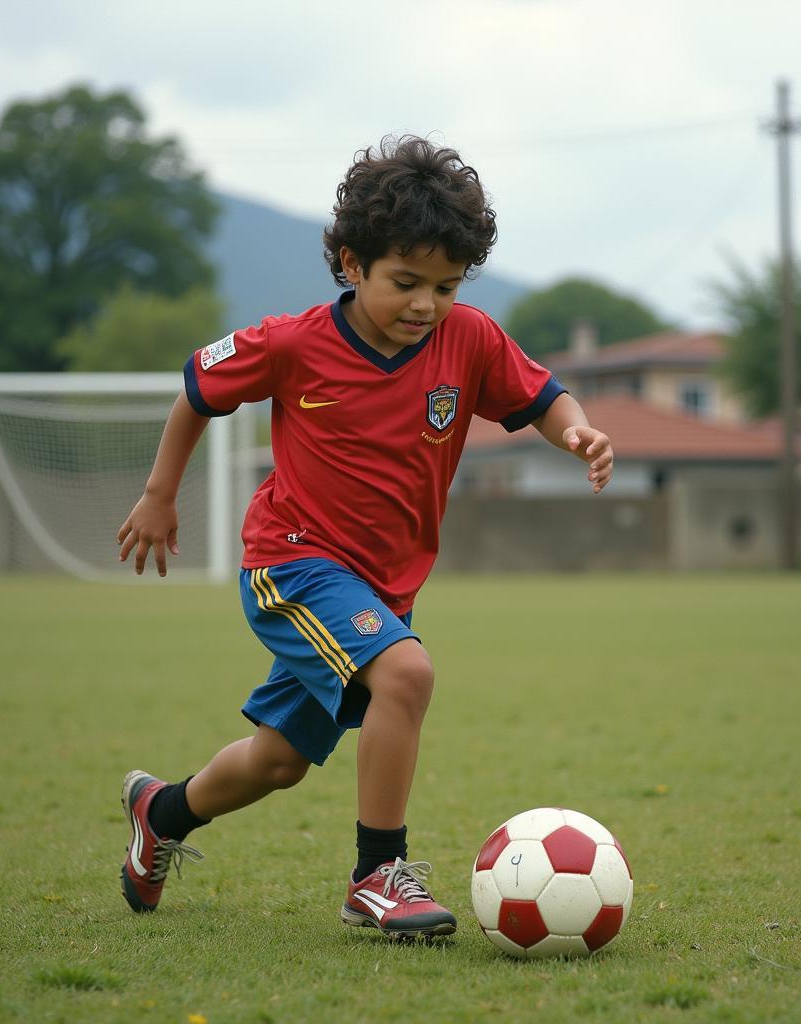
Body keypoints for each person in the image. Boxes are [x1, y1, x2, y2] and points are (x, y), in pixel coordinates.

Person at [116, 135, 613, 939]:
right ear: (352, 263)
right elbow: (197, 391)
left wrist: (580, 431)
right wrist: (158, 495)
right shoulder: (291, 342)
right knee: (407, 676)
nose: (426, 305)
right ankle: (378, 876)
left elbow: (542, 395)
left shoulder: (469, 339)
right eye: (406, 283)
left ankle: (160, 813)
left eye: (446, 286)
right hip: (292, 562)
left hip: (380, 590)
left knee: (278, 761)